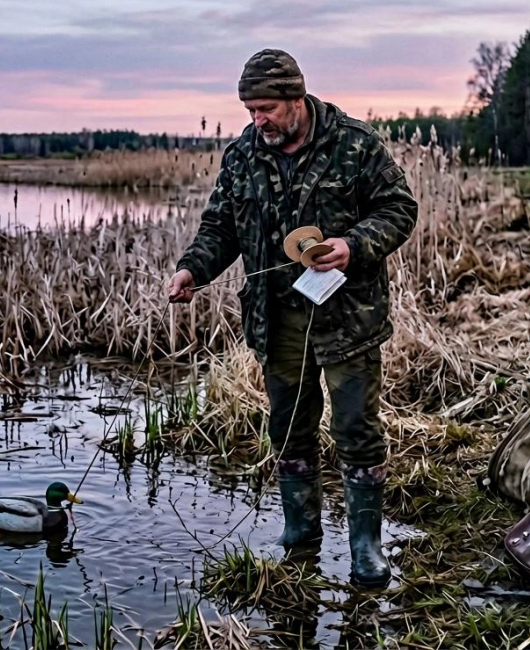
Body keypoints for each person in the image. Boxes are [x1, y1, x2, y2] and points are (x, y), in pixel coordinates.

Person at [167, 48, 418, 587]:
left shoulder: (354, 143)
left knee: (356, 429)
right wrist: (193, 270)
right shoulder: (241, 155)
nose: (258, 120)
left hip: (348, 318)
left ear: (296, 99)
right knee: (289, 430)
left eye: (266, 109)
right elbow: (220, 229)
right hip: (276, 320)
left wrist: (353, 245)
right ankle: (300, 532)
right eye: (250, 110)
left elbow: (400, 209)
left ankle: (366, 547)